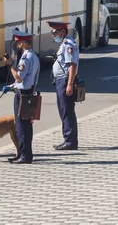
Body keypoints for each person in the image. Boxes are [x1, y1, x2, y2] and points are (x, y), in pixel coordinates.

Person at [2, 31, 40, 164]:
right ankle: (23, 153)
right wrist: (12, 86)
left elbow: (19, 76)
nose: (17, 44)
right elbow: (25, 79)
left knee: (21, 127)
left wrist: (10, 65)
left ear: (23, 43)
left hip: (23, 96)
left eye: (18, 42)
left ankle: (25, 155)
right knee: (25, 126)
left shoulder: (25, 58)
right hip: (28, 92)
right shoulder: (33, 56)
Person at [48, 21, 79, 151]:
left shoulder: (68, 45)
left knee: (67, 111)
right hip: (61, 81)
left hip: (65, 81)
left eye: (54, 32)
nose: (53, 34)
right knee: (63, 111)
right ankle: (67, 139)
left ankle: (70, 141)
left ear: (62, 31)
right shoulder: (64, 43)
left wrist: (69, 85)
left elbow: (72, 65)